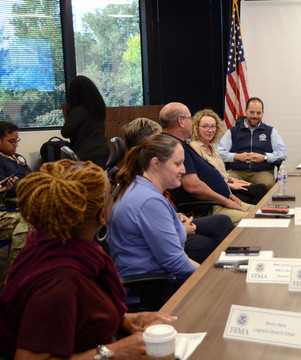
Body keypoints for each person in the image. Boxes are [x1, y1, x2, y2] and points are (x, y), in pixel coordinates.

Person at [0, 159, 175, 359]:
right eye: (110, 197)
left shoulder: (49, 242)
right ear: (102, 215)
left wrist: (123, 320)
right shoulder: (60, 280)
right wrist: (112, 352)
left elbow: (73, 314)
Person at [109, 134, 233, 281]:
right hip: (153, 287)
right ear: (156, 164)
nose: (183, 169)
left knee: (220, 226)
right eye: (178, 164)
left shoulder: (139, 186)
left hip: (156, 275)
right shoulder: (150, 201)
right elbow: (176, 264)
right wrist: (214, 279)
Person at [162, 102, 253, 226]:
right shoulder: (174, 147)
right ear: (181, 122)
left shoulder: (180, 144)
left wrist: (228, 195)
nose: (192, 122)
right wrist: (225, 200)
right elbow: (193, 187)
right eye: (190, 118)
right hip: (210, 207)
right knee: (258, 221)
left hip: (220, 201)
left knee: (262, 212)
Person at [190, 109, 268, 205]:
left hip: (226, 186)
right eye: (205, 127)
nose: (210, 130)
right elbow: (205, 179)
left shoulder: (212, 147)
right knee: (255, 195)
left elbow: (221, 172)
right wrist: (230, 185)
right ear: (196, 128)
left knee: (260, 189)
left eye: (213, 126)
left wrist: (234, 180)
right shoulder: (194, 148)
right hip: (218, 192)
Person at [218, 97, 287, 190]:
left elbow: (283, 153)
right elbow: (218, 153)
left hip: (263, 172)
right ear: (245, 111)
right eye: (251, 112)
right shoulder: (233, 131)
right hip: (237, 171)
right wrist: (237, 156)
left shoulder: (270, 131)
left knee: (269, 185)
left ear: (262, 113)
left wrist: (264, 158)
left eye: (258, 113)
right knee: (224, 185)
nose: (255, 116)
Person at [61, 75, 110, 168]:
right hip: (103, 152)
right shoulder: (97, 109)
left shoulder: (79, 111)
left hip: (87, 155)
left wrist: (69, 112)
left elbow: (65, 132)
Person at [0, 121, 31, 199]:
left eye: (17, 140)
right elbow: (4, 187)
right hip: (10, 201)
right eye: (11, 141)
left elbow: (31, 176)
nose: (16, 145)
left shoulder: (19, 157)